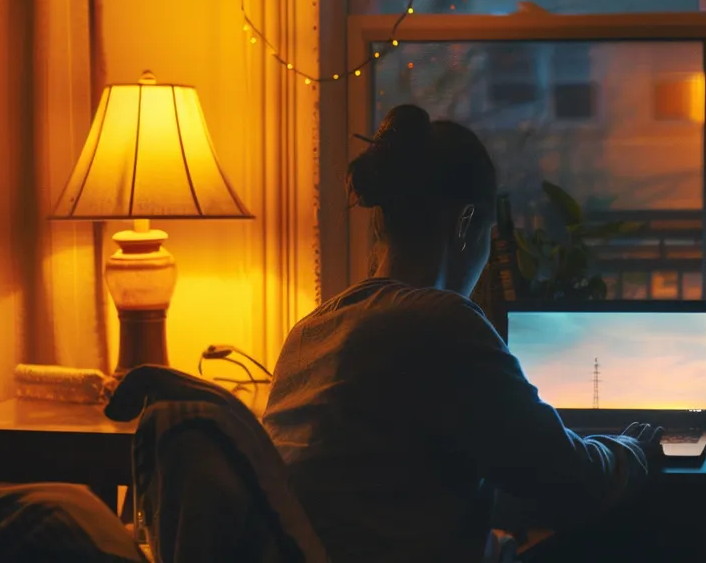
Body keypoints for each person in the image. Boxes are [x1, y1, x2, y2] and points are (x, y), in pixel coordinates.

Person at [262, 104, 664, 563]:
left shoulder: (309, 331)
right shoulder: (441, 321)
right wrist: (632, 449)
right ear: (466, 223)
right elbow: (567, 475)